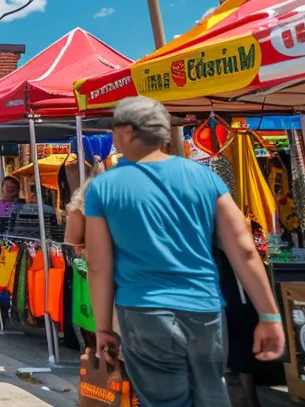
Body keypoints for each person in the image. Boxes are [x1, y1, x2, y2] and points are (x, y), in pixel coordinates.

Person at [86, 96, 284, 407]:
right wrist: (269, 314)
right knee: (211, 393)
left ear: (127, 132)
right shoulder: (206, 177)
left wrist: (103, 327)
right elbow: (244, 249)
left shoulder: (103, 187)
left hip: (144, 311)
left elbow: (98, 264)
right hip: (205, 308)